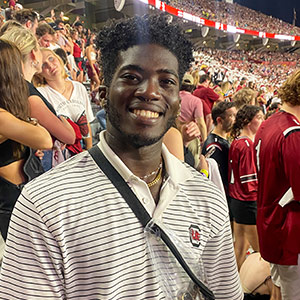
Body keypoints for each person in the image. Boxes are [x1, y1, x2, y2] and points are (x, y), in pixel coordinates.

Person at [0, 15, 242, 299]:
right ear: (102, 93)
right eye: (131, 77)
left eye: (166, 81)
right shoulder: (44, 203)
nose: (150, 92)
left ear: (179, 99)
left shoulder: (206, 197)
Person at [0, 39, 52, 244]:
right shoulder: (3, 117)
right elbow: (45, 140)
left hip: (22, 197)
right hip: (15, 202)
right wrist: (32, 123)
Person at [1, 27, 75, 170]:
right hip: (18, 182)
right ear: (34, 54)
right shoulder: (26, 93)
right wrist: (62, 119)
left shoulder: (18, 89)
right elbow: (66, 137)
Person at [254, 70, 300, 300]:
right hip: (289, 229)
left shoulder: (268, 123)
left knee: (278, 290)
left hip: (270, 221)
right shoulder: (292, 132)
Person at [35, 48, 94, 151]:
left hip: (82, 149)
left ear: (58, 59)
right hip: (58, 153)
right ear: (39, 73)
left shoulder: (79, 87)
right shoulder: (40, 93)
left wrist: (89, 149)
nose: (50, 65)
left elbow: (86, 122)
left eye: (51, 58)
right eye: (43, 65)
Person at [228, 105, 264, 270]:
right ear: (247, 121)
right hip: (248, 201)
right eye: (258, 117)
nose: (262, 121)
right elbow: (249, 181)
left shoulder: (237, 141)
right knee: (261, 252)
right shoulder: (247, 145)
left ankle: (232, 285)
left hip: (237, 200)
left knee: (240, 248)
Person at [202, 101, 237, 225]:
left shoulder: (223, 140)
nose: (235, 119)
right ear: (220, 120)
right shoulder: (215, 145)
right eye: (232, 116)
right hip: (221, 198)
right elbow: (215, 178)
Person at [178, 72, 207, 142]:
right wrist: (205, 141)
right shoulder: (196, 101)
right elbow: (201, 124)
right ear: (192, 87)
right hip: (188, 134)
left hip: (170, 133)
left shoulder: (173, 97)